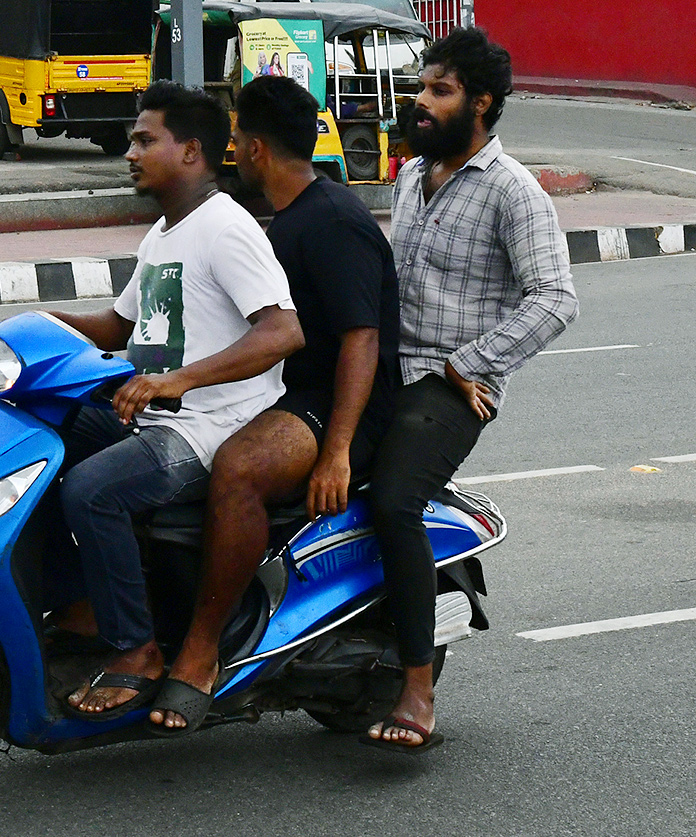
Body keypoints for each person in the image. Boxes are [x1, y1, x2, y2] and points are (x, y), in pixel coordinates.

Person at [148, 75, 400, 734]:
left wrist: (338, 450)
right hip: (288, 392)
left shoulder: (335, 220)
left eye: (233, 139)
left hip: (339, 402)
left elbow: (361, 340)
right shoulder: (280, 222)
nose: (229, 151)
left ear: (255, 149)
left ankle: (201, 654)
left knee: (237, 465)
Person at [48, 80, 304, 720]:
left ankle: (137, 652)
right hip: (153, 413)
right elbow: (116, 327)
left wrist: (180, 381)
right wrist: (36, 327)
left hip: (209, 426)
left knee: (91, 490)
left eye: (144, 140)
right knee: (44, 443)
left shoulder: (225, 228)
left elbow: (283, 330)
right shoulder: (164, 234)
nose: (129, 153)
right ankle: (79, 602)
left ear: (192, 151)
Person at [363, 27, 578, 751]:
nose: (420, 101)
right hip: (390, 370)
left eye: (439, 91)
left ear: (480, 103)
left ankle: (418, 686)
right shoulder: (410, 175)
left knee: (393, 500)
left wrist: (471, 363)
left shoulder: (512, 190)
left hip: (453, 387)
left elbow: (554, 298)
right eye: (421, 87)